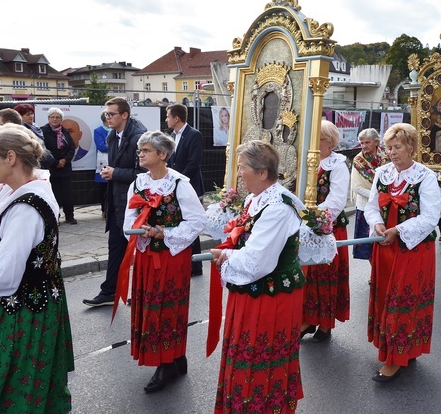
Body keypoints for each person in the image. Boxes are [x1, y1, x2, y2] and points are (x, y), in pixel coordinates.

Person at [0, 123, 74, 413]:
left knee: (18, 392)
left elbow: (6, 272)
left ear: (11, 157)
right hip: (29, 303)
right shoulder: (21, 191)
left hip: (25, 311)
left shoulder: (26, 207)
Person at [210, 140, 305, 413]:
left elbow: (256, 262)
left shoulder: (277, 208)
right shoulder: (255, 199)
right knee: (244, 351)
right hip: (253, 291)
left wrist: (225, 256)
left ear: (263, 173)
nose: (239, 173)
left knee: (260, 356)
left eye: (243, 168)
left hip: (271, 296)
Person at [122, 131, 206, 393]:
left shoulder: (180, 184)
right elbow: (128, 221)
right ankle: (175, 357)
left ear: (162, 155)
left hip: (171, 257)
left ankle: (167, 362)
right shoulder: (137, 184)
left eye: (146, 150)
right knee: (149, 307)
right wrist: (141, 229)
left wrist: (164, 233)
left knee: (166, 309)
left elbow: (197, 221)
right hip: (147, 255)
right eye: (140, 150)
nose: (141, 154)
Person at [364, 123, 440, 382]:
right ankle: (397, 349)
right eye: (389, 148)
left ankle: (396, 358)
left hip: (413, 248)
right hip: (385, 248)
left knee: (403, 301)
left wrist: (398, 230)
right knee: (386, 297)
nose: (392, 152)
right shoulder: (382, 173)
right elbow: (371, 206)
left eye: (397, 147)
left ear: (411, 148)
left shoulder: (426, 177)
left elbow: (431, 217)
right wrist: (377, 223)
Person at [83, 97, 147, 307]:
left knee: (141, 251)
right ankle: (109, 291)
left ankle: (142, 292)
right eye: (106, 114)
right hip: (117, 203)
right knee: (116, 249)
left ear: (124, 115)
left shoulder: (139, 137)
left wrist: (115, 173)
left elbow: (144, 174)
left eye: (111, 114)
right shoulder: (113, 135)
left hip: (136, 205)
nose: (107, 117)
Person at [300, 120, 350, 343]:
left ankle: (324, 323)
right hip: (306, 226)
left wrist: (313, 217)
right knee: (308, 275)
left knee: (325, 275)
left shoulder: (337, 165)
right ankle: (309, 318)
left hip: (328, 228)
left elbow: (337, 200)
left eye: (317, 138)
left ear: (329, 142)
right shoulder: (308, 161)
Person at [166, 103, 205, 276]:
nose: (166, 119)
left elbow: (193, 163)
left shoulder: (194, 135)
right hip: (174, 186)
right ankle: (182, 261)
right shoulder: (171, 136)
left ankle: (196, 265)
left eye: (168, 116)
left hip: (189, 186)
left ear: (176, 118)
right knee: (179, 223)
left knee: (191, 224)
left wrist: (178, 181)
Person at [350, 128, 388, 262]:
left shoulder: (387, 155)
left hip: (386, 205)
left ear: (376, 142)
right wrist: (377, 196)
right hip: (366, 206)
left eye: (367, 142)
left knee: (385, 242)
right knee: (369, 246)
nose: (364, 146)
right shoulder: (358, 160)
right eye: (361, 143)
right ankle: (374, 274)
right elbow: (356, 187)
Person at [42, 107, 77, 224]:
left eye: (57, 117)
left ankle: (69, 216)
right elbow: (43, 150)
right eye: (52, 117)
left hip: (65, 167)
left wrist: (65, 160)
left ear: (61, 119)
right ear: (48, 118)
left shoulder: (65, 131)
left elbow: (72, 148)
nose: (55, 119)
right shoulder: (43, 131)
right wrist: (55, 162)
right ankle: (54, 216)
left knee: (68, 193)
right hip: (51, 168)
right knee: (53, 194)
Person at [14, 103, 56, 169]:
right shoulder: (19, 130)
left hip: (42, 161)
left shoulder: (35, 127)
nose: (31, 116)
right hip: (30, 164)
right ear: (20, 116)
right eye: (27, 114)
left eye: (32, 113)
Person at [94, 111, 112, 218]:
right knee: (104, 189)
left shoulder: (116, 130)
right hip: (103, 163)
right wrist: (116, 148)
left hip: (115, 163)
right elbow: (101, 146)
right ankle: (104, 210)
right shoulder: (98, 131)